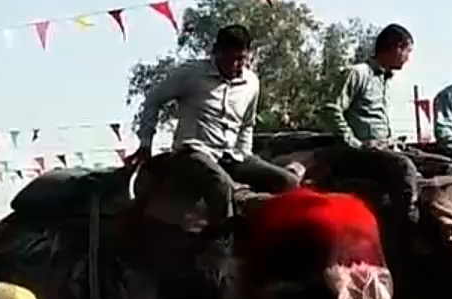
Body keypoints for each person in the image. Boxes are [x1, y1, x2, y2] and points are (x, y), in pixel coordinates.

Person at [131, 24, 298, 192]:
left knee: (288, 181)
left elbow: (247, 124)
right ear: (216, 52)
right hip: (193, 152)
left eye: (240, 59)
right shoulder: (191, 73)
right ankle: (228, 218)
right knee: (222, 185)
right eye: (228, 59)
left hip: (232, 156)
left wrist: (244, 155)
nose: (233, 65)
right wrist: (146, 143)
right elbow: (153, 99)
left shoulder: (252, 83)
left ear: (248, 55)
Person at [321, 23, 413, 148]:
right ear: (397, 48)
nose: (408, 58)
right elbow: (330, 110)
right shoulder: (358, 74)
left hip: (383, 148)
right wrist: (354, 144)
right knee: (405, 166)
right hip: (363, 154)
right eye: (408, 51)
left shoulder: (386, 81)